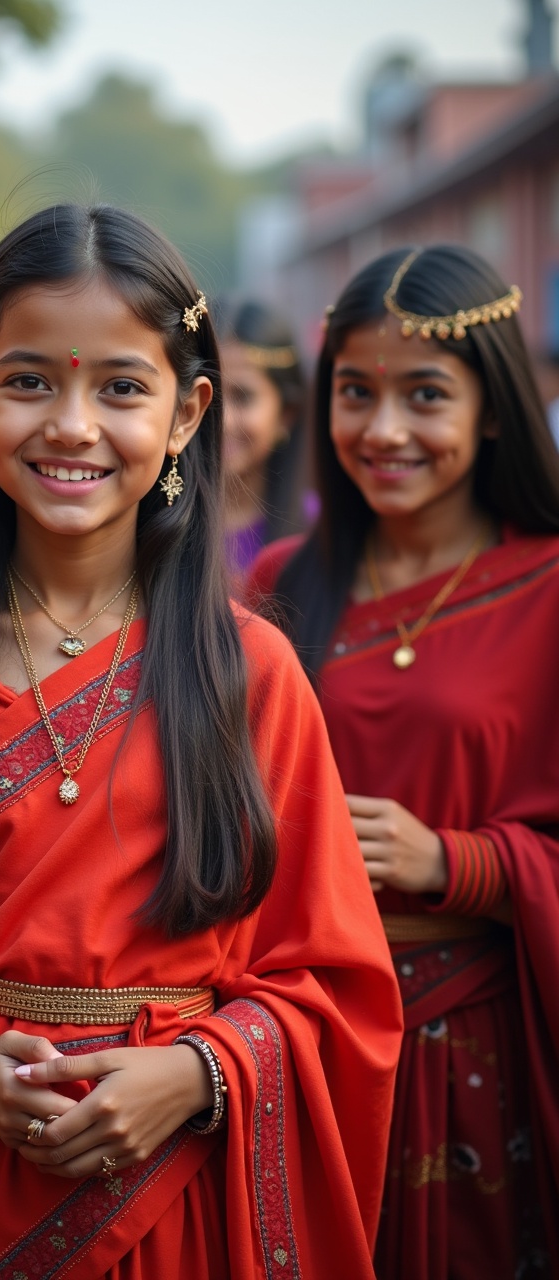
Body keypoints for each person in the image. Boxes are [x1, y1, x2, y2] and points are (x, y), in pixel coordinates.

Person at [0, 203, 402, 1280]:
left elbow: (338, 985)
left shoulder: (250, 673)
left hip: (188, 1201)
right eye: (29, 381)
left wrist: (200, 1072)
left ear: (187, 412)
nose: (72, 424)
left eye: (120, 385)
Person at [247, 245, 559, 1279]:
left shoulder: (549, 583)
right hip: (303, 1031)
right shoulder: (283, 579)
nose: (382, 431)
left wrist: (457, 861)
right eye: (355, 392)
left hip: (482, 1043)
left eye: (424, 395)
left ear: (496, 409)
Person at [215, 298, 311, 577]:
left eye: (243, 397)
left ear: (286, 415)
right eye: (206, 393)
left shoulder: (320, 534)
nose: (222, 421)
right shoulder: (147, 526)